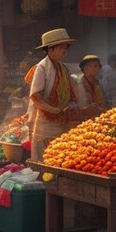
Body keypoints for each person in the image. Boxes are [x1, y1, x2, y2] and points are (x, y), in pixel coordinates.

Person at [29, 28, 77, 161]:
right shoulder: (42, 68)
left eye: (66, 47)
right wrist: (53, 110)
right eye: (61, 47)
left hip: (62, 120)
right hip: (46, 121)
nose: (65, 50)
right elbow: (35, 96)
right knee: (46, 158)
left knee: (59, 156)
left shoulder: (63, 68)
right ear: (50, 50)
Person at [75, 55, 107, 120]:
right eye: (90, 66)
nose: (93, 68)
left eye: (96, 66)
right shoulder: (79, 83)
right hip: (82, 120)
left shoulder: (98, 83)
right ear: (84, 68)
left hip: (98, 119)